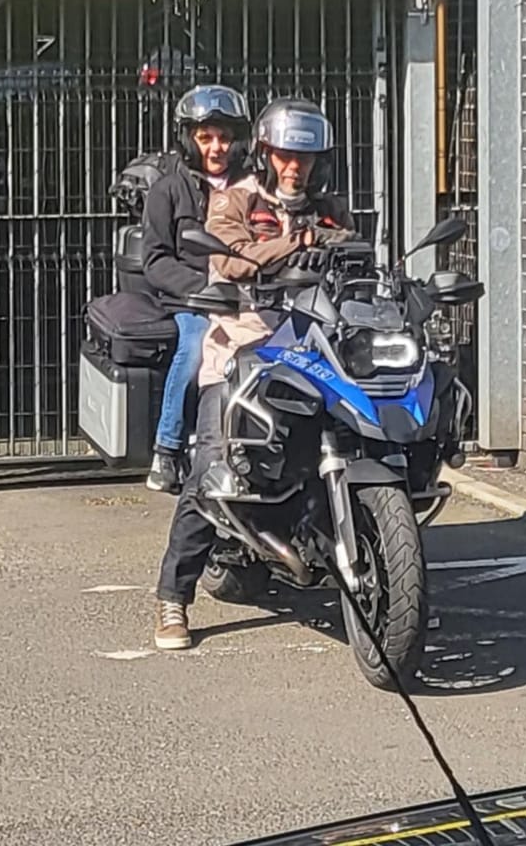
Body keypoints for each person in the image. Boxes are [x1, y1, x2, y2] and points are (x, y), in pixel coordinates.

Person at [153, 96, 357, 650]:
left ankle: (384, 586)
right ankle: (173, 598)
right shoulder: (235, 200)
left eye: (306, 158)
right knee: (212, 471)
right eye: (285, 155)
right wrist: (298, 243)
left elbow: (355, 248)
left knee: (355, 448)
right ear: (264, 153)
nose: (296, 167)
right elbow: (230, 260)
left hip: (316, 347)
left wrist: (329, 243)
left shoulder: (329, 206)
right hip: (243, 345)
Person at [141, 84, 252, 494]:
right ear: (189, 139)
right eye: (206, 138)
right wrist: (204, 287)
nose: (217, 147)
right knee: (195, 350)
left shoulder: (252, 190)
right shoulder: (168, 190)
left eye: (224, 137)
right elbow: (154, 260)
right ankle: (166, 449)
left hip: (246, 298)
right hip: (191, 301)